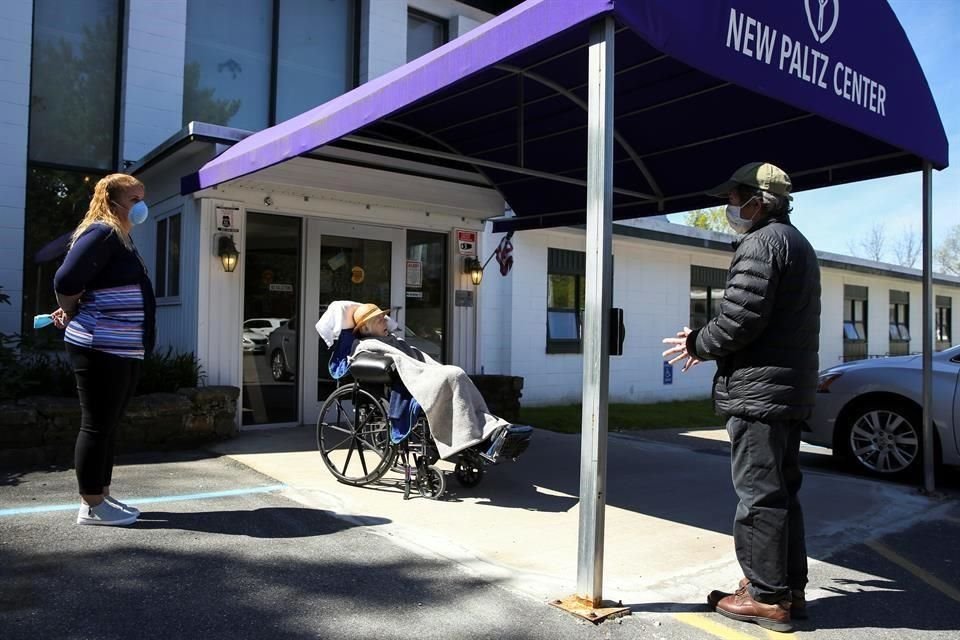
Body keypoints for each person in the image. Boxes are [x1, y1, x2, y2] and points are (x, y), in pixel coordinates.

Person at [661, 162, 821, 632]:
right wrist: (710, 344)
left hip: (759, 394)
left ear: (758, 200)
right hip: (787, 391)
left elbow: (739, 319)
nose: (729, 207)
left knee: (759, 497)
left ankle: (767, 597)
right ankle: (789, 590)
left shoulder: (762, 243)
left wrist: (696, 343)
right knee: (782, 494)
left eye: (734, 198)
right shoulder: (797, 244)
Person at [52, 173, 156, 527]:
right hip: (100, 345)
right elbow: (66, 280)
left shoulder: (122, 237)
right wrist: (71, 309)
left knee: (108, 426)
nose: (141, 205)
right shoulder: (102, 232)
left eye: (142, 196)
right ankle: (91, 504)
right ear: (112, 202)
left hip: (122, 348)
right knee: (97, 426)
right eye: (133, 199)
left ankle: (102, 493)